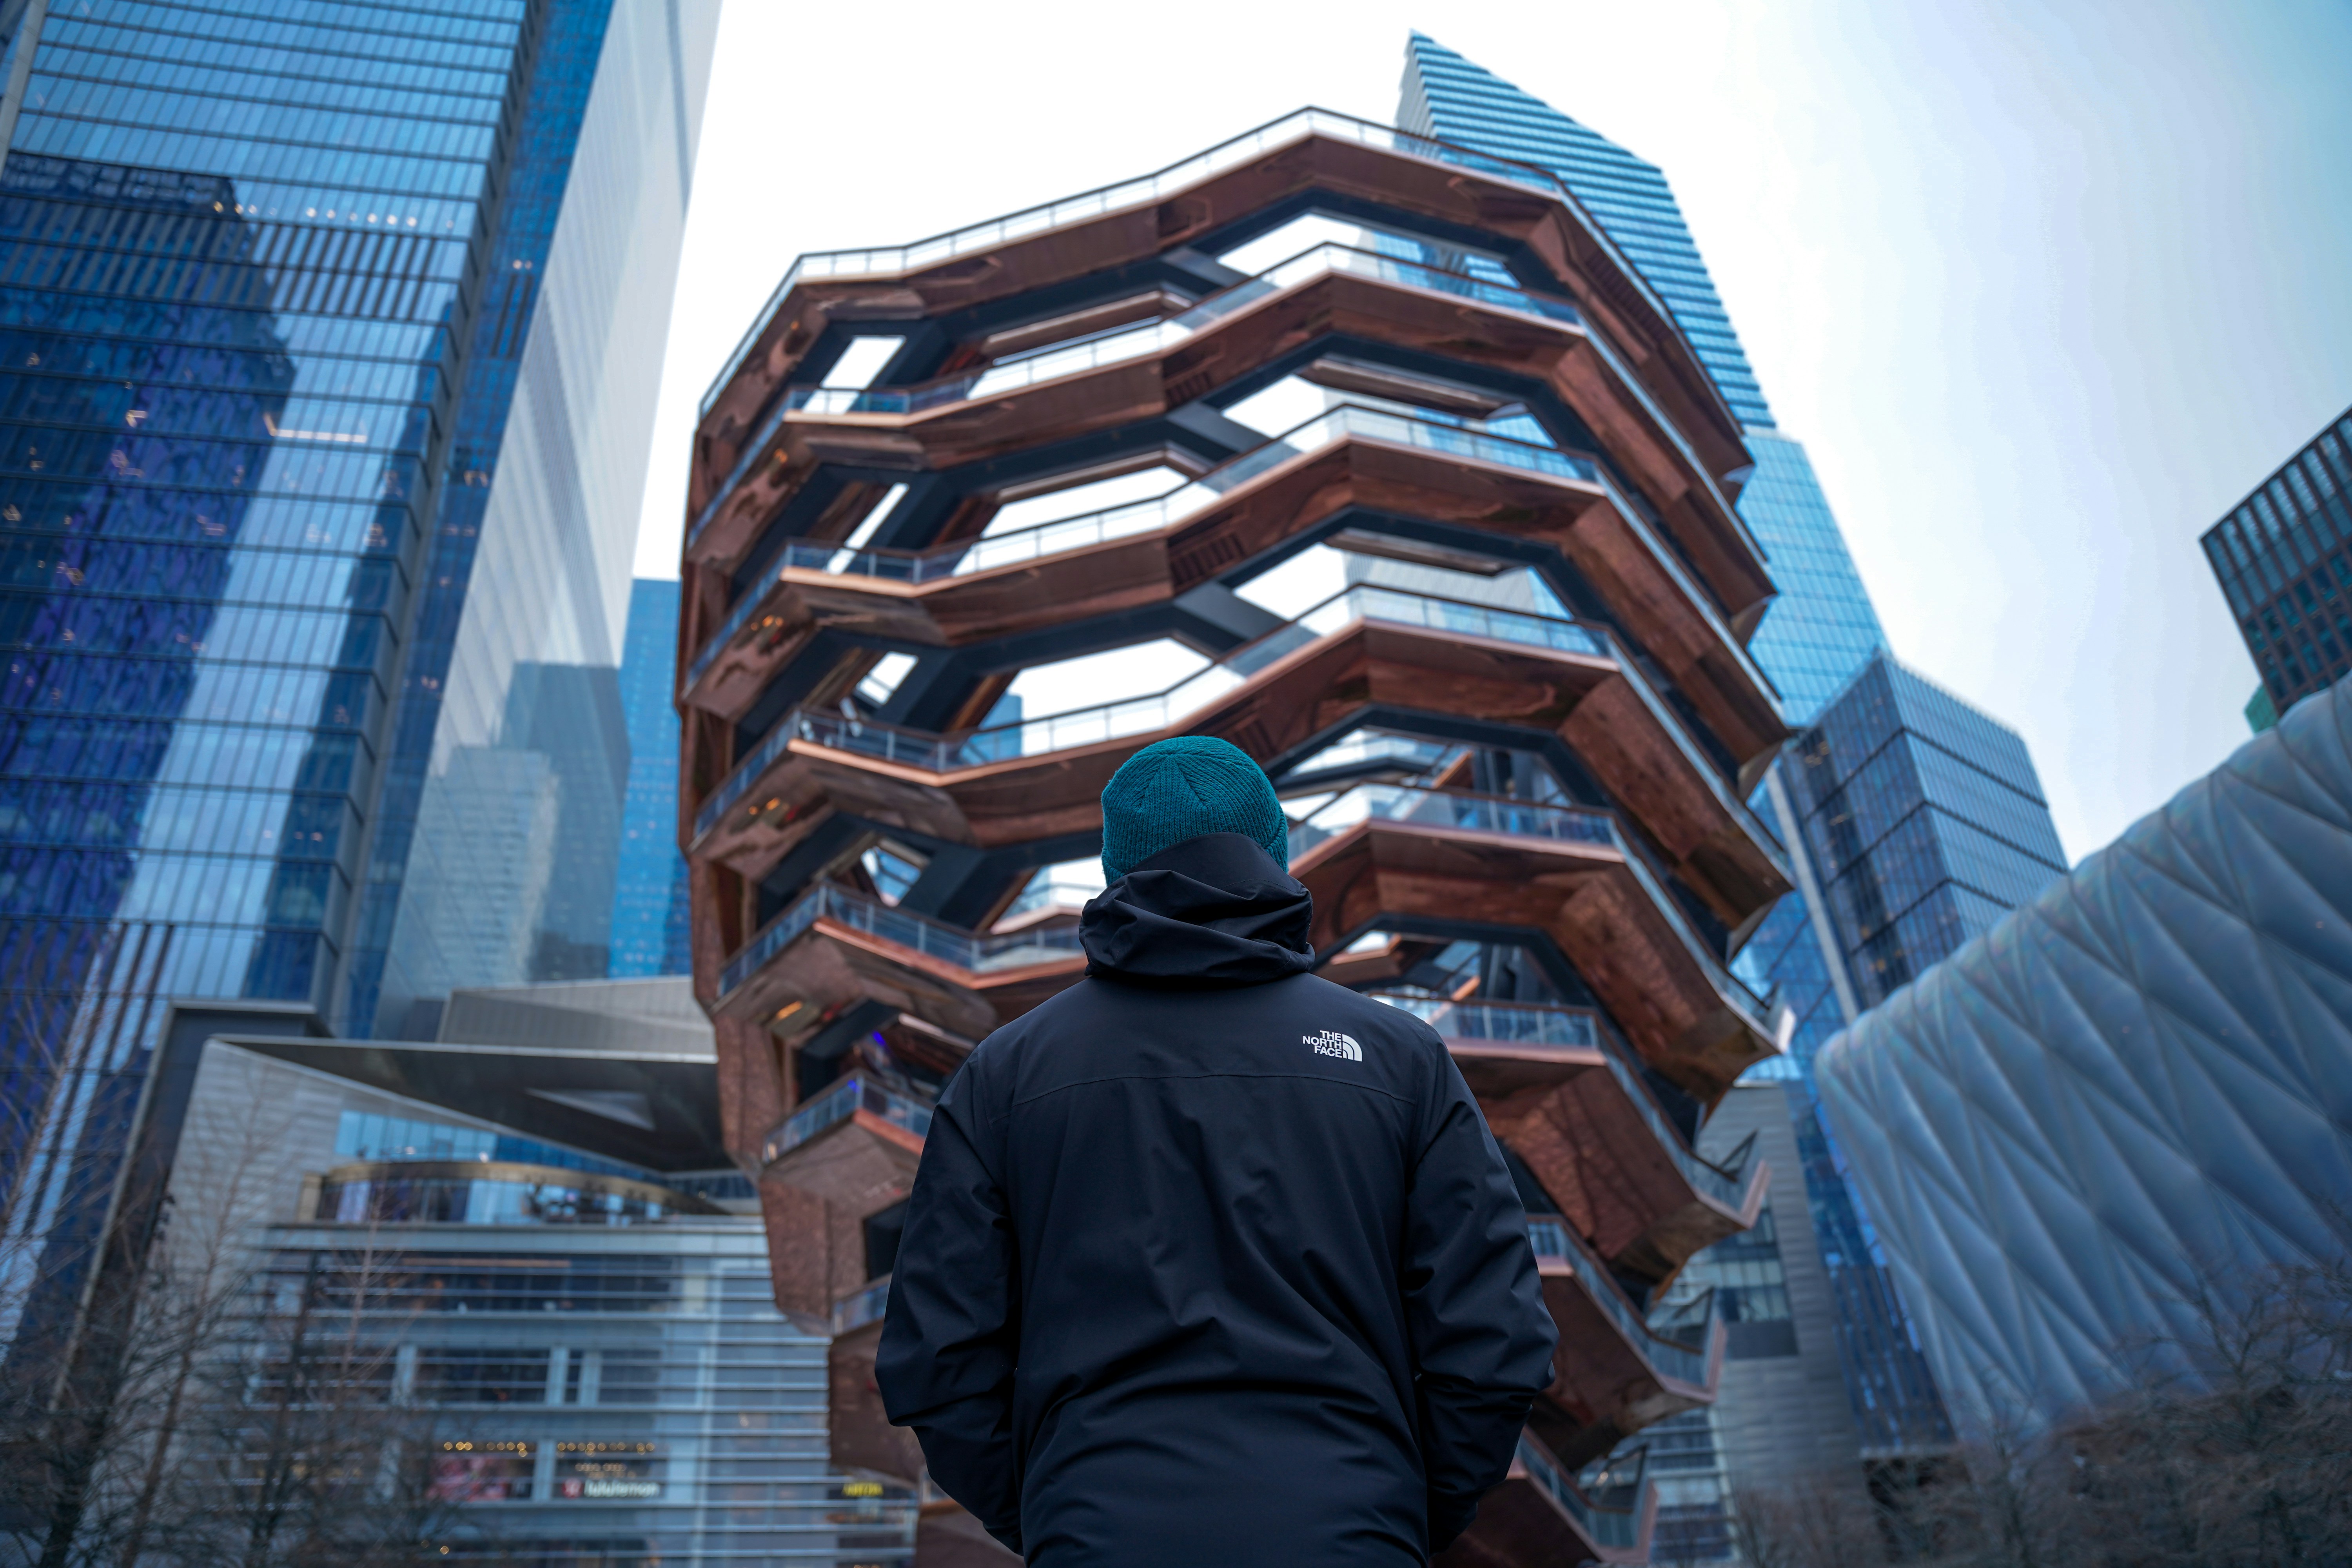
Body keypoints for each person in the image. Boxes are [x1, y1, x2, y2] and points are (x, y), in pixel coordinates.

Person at [875, 735, 1559, 1565]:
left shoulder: (1007, 1075)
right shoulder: (1398, 1059)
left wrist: (1054, 1513)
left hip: (1099, 1529)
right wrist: (1401, 1509)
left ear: (1115, 869)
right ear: (1272, 855)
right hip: (1351, 1525)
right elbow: (1495, 1337)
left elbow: (938, 1358)